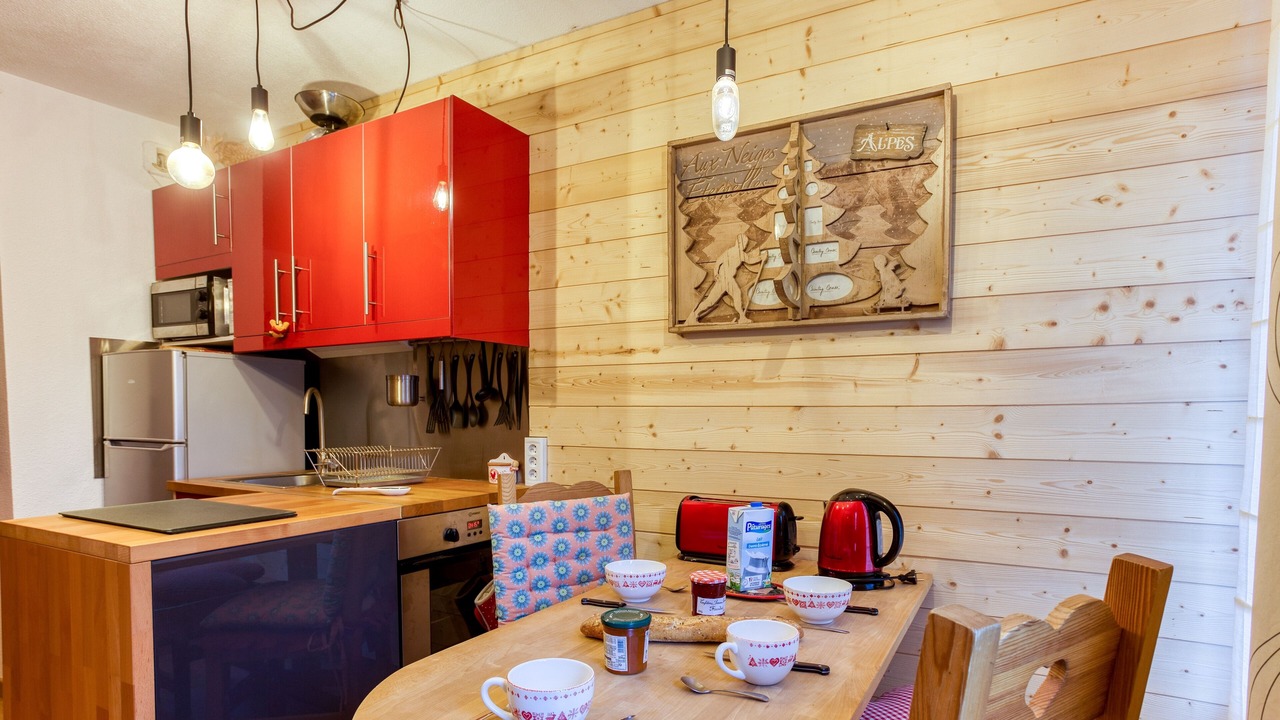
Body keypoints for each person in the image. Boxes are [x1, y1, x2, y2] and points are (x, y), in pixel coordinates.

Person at [687, 234, 764, 324]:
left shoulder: (742, 254)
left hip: (728, 279)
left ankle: (742, 317)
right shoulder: (730, 252)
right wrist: (716, 273)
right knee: (711, 300)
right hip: (724, 278)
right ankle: (694, 315)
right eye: (744, 243)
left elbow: (750, 261)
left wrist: (761, 258)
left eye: (746, 244)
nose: (745, 245)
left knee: (735, 295)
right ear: (739, 242)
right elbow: (719, 261)